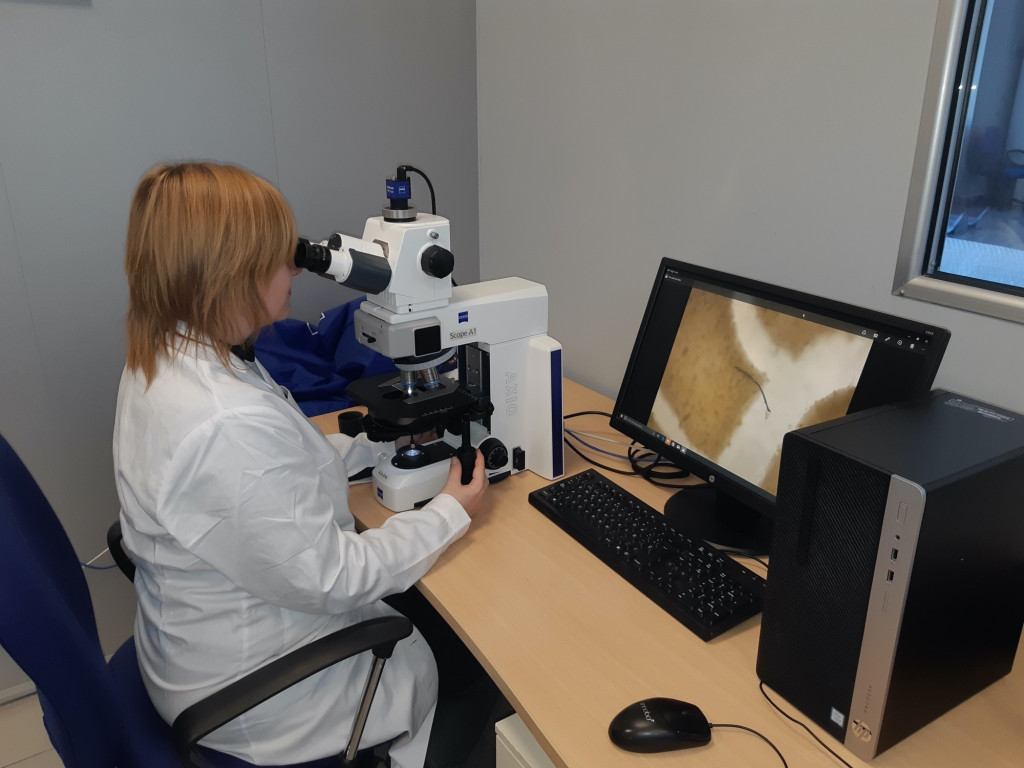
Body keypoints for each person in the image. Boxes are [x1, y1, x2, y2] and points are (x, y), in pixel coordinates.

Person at [113, 161, 488, 767]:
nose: (295, 269)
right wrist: (451, 511)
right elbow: (336, 577)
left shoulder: (170, 355)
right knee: (481, 661)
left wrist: (379, 444)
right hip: (264, 697)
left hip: (197, 644)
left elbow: (279, 467)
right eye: (280, 257)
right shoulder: (223, 423)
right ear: (230, 276)